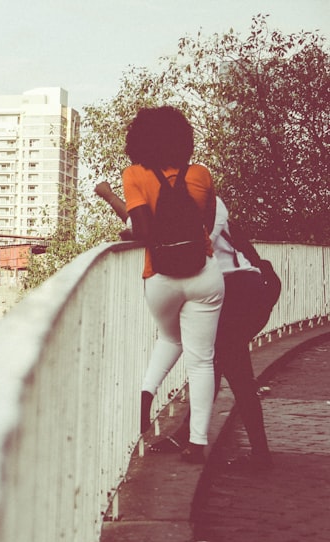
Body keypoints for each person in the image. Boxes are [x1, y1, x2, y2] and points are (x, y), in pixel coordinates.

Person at [109, 106, 225, 463]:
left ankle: (146, 394)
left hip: (161, 277)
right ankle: (197, 443)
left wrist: (129, 231)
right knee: (201, 362)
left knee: (170, 337)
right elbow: (204, 225)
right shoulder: (201, 174)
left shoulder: (134, 175)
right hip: (204, 275)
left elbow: (144, 232)